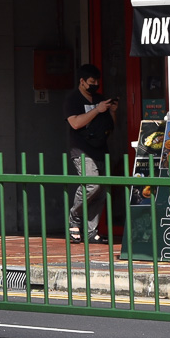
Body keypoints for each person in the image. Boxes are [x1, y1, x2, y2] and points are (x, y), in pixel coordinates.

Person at [64, 64, 117, 242]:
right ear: (82, 81)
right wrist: (97, 109)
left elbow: (110, 125)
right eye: (91, 82)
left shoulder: (99, 98)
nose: (95, 85)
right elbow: (75, 123)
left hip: (101, 149)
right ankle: (74, 217)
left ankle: (90, 232)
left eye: (97, 81)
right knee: (91, 185)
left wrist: (112, 111)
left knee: (100, 191)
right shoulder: (73, 99)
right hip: (82, 149)